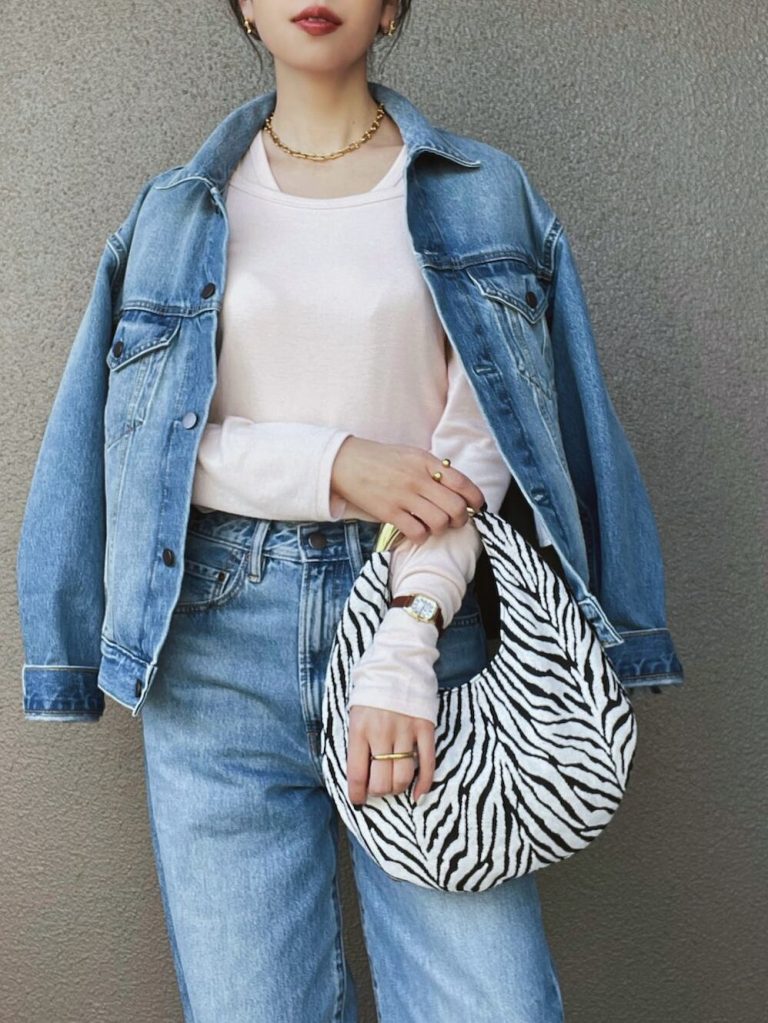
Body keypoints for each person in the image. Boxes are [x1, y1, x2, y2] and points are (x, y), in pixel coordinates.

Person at [15, 1, 685, 1019]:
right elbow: (139, 449)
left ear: (394, 4)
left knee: (491, 1004)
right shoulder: (174, 213)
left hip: (426, 621)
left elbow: (485, 444)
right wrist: (336, 465)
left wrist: (405, 643)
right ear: (244, 6)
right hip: (214, 646)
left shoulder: (483, 193)